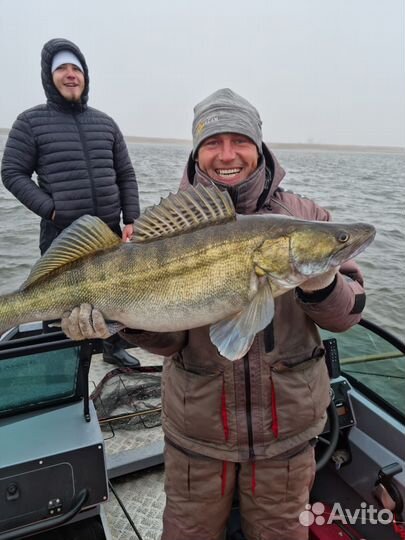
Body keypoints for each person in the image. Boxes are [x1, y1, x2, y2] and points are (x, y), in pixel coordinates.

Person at [60, 89, 367, 540]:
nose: (227, 154)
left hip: (287, 437)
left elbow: (347, 314)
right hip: (197, 437)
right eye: (212, 142)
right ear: (196, 151)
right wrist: (122, 319)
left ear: (259, 146)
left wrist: (323, 282)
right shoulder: (168, 226)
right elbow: (169, 340)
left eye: (240, 140)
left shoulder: (305, 216)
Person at [1, 37, 141, 368]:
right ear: (49, 77)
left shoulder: (105, 123)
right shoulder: (30, 122)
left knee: (117, 293)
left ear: (85, 75)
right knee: (57, 301)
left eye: (75, 68)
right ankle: (61, 361)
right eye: (61, 68)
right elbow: (12, 172)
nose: (70, 74)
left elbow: (126, 174)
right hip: (62, 233)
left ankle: (113, 347)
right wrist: (51, 209)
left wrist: (131, 218)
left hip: (108, 231)